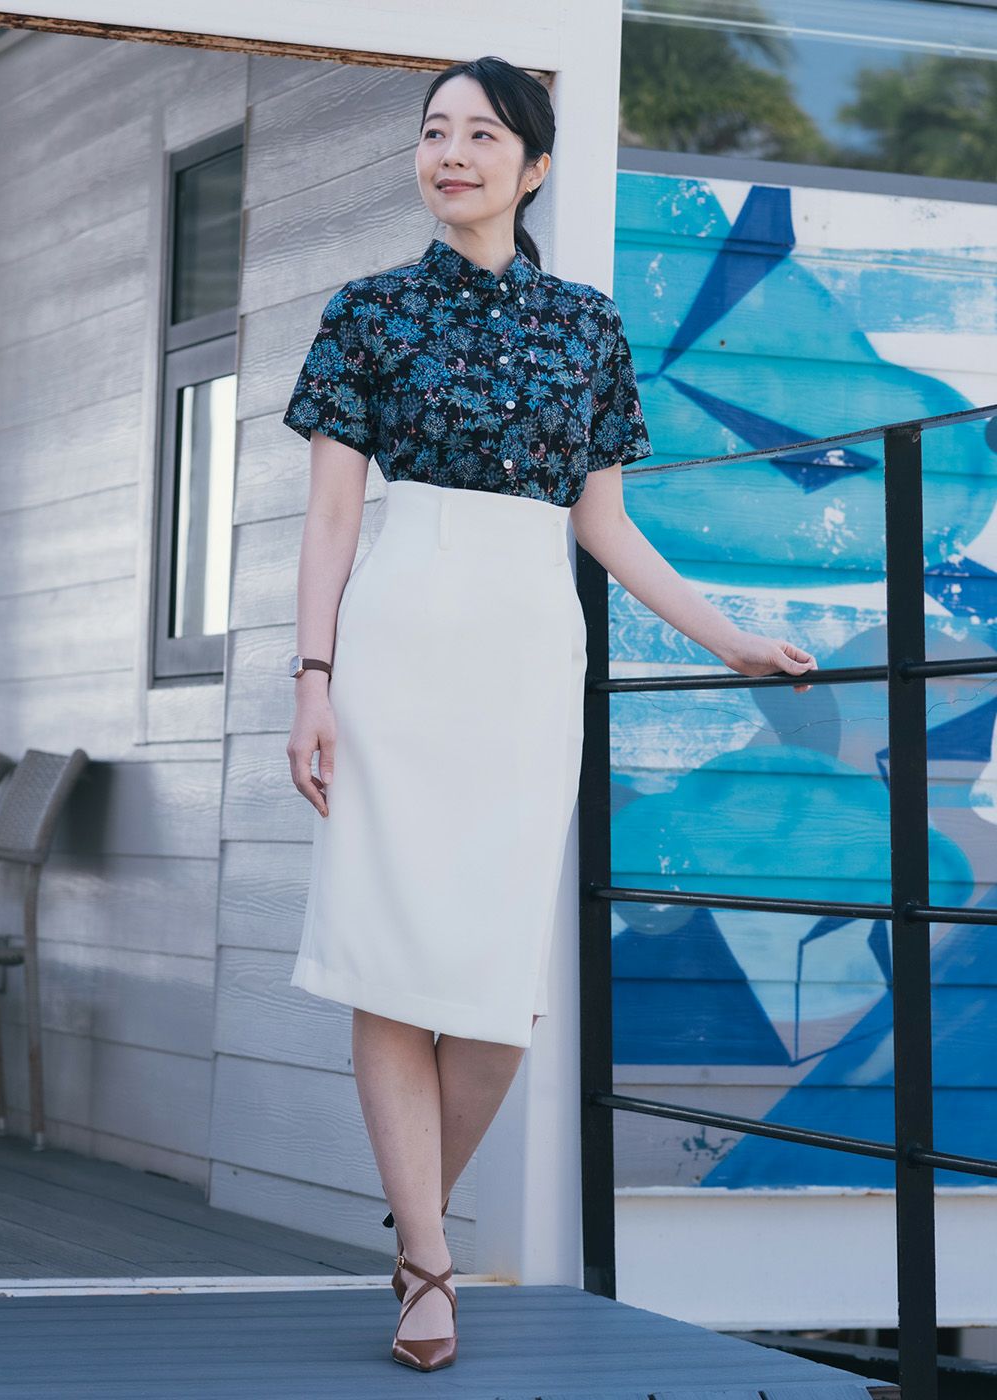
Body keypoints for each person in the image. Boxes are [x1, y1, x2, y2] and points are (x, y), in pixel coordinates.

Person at [283, 54, 818, 1373]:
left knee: (493, 995)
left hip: (525, 659)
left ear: (531, 166)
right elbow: (334, 518)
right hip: (397, 649)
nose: (452, 154)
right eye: (435, 132)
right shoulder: (366, 310)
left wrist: (729, 639)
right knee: (386, 963)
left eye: (482, 135)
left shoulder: (587, 326)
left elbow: (606, 524)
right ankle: (427, 1262)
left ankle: (415, 1219)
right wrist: (312, 678)